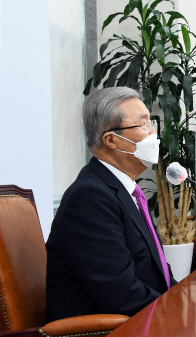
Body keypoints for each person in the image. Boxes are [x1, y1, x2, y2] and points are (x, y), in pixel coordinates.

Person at [46, 88, 177, 322]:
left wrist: (185, 299)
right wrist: (177, 313)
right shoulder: (89, 197)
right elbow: (120, 293)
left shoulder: (124, 191)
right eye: (143, 124)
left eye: (151, 122)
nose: (153, 132)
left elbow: (156, 275)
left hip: (142, 319)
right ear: (111, 140)